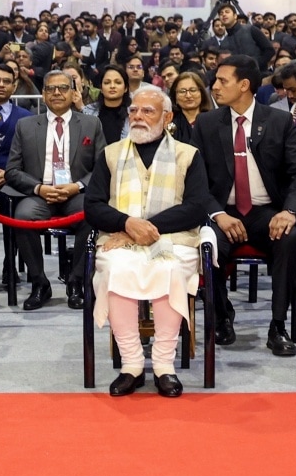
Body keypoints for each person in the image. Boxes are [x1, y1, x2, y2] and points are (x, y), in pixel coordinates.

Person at [85, 84, 209, 398]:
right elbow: (93, 205)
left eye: (147, 111)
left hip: (174, 238)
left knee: (169, 270)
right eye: (134, 110)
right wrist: (127, 223)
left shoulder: (188, 155)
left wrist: (143, 228)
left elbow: (196, 207)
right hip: (119, 238)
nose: (138, 116)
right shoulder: (111, 154)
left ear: (167, 117)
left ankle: (164, 365)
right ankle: (132, 364)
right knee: (117, 269)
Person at [195, 54, 296, 355]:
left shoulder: (279, 121)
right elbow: (194, 181)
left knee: (289, 238)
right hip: (224, 212)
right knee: (208, 245)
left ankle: (278, 325)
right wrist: (217, 214)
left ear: (244, 85)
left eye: (222, 81)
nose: (214, 86)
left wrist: (289, 212)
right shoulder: (207, 123)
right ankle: (222, 315)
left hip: (266, 211)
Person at [5, 70, 104, 311]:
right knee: (22, 216)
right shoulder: (26, 125)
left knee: (92, 214)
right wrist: (39, 188)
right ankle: (40, 283)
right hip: (39, 195)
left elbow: (102, 167)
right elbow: (12, 170)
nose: (57, 93)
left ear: (73, 93)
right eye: (51, 88)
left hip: (76, 193)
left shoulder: (91, 124)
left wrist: (77, 186)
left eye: (63, 88)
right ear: (43, 94)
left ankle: (76, 282)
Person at [166, 69, 214, 147]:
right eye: (182, 91)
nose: (188, 95)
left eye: (193, 90)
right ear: (175, 97)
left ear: (201, 93)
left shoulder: (214, 120)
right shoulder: (168, 123)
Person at [88, 66, 131, 146]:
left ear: (126, 88)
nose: (112, 86)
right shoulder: (88, 112)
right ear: (101, 88)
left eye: (118, 82)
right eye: (107, 83)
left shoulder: (135, 113)